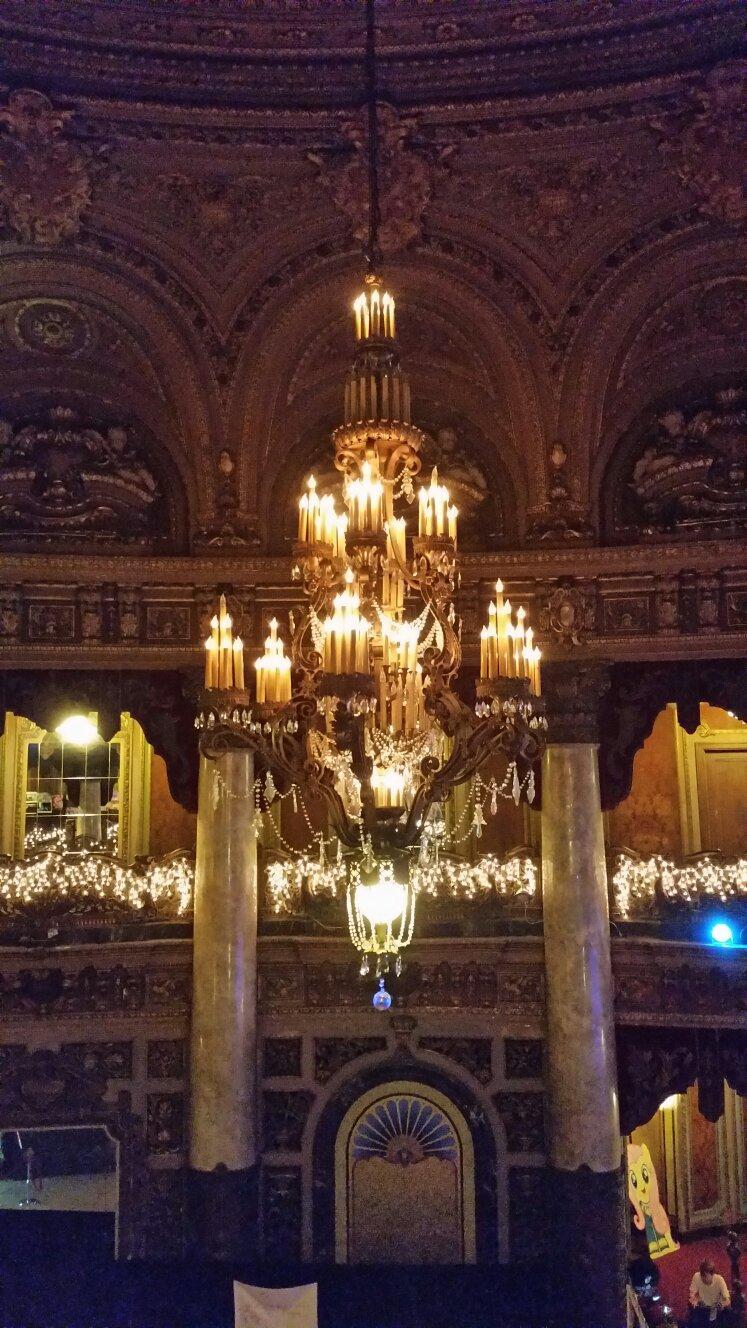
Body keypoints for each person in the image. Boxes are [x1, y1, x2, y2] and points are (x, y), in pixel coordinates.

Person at [689, 1259, 731, 1325]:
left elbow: (727, 1301)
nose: (703, 1279)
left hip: (716, 1311)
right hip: (702, 1309)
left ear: (712, 1274)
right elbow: (692, 1296)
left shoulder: (719, 1280)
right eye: (702, 1275)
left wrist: (721, 1304)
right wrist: (695, 1302)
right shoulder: (696, 1276)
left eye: (705, 1276)